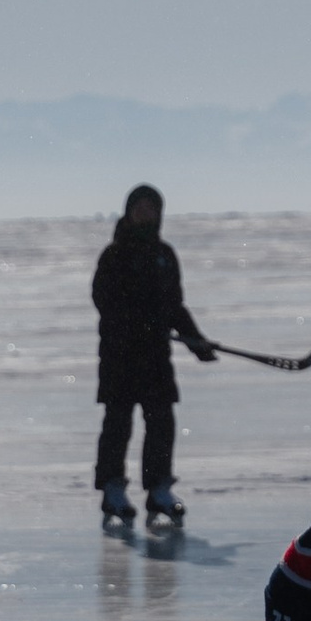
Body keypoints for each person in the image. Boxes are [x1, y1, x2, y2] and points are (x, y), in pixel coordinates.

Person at [91, 183, 214, 528]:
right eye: (140, 208)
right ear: (129, 212)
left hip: (156, 357)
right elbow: (103, 300)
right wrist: (135, 322)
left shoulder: (165, 255)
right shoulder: (114, 255)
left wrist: (195, 340)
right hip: (120, 355)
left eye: (152, 208)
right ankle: (112, 490)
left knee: (161, 422)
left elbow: (174, 305)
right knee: (118, 424)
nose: (146, 214)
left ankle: (159, 489)